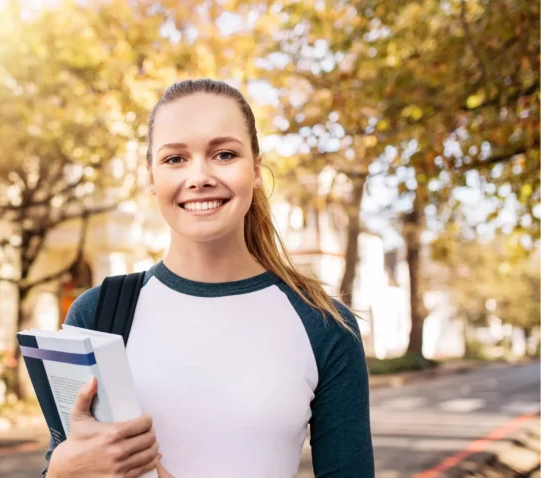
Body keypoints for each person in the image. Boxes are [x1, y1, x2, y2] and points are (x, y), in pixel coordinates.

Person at [41, 78, 375, 478]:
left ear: (255, 169)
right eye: (175, 159)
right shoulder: (97, 314)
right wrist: (61, 471)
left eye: (223, 154)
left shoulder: (324, 324)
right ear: (151, 176)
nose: (198, 176)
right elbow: (67, 464)